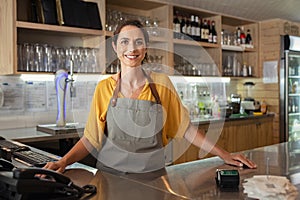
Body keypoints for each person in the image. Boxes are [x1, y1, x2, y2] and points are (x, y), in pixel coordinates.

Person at [44, 20, 256, 173]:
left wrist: (224, 154)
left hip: (153, 177)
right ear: (115, 47)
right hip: (110, 176)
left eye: (138, 42)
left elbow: (187, 129)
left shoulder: (161, 84)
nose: (131, 49)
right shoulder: (104, 88)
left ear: (145, 48)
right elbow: (91, 138)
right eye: (125, 42)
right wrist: (64, 162)